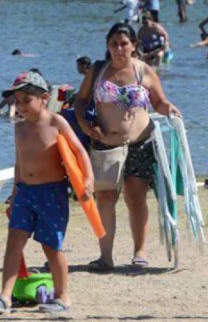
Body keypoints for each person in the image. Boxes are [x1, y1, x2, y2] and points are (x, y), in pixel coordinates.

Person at [0, 71, 93, 315]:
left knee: (51, 246)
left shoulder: (56, 122)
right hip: (25, 193)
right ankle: (4, 297)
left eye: (26, 100)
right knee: (13, 243)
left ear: (44, 97)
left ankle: (63, 296)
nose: (21, 107)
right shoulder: (19, 128)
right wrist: (13, 192)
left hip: (52, 193)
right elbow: (19, 163)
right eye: (17, 102)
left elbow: (79, 151)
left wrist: (88, 180)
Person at [74, 23, 181, 272]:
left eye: (124, 43)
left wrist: (170, 109)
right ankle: (105, 257)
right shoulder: (98, 71)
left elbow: (159, 102)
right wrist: (87, 126)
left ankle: (139, 252)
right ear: (108, 46)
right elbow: (80, 101)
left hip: (140, 143)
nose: (118, 48)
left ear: (134, 45)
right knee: (105, 199)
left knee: (136, 198)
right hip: (105, 145)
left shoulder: (144, 71)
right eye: (113, 44)